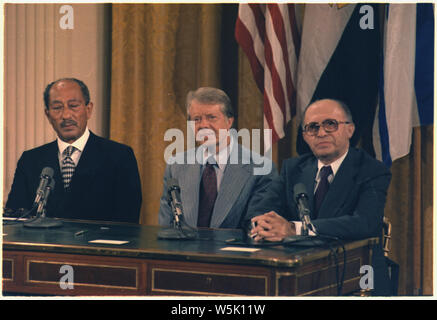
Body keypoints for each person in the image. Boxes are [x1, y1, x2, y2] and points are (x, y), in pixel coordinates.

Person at [248, 98, 392, 295]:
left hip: (357, 275)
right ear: (306, 136)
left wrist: (295, 228)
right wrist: (265, 225)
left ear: (350, 130)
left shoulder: (371, 170)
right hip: (300, 273)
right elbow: (258, 210)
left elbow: (365, 223)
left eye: (330, 124)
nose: (321, 133)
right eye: (313, 127)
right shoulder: (293, 168)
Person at [5, 78, 142, 223]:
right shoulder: (30, 160)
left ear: (88, 110)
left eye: (73, 106)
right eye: (57, 108)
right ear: (48, 115)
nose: (66, 115)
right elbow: (15, 217)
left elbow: (127, 220)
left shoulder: (119, 156)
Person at [158, 87, 277, 229]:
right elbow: (166, 227)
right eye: (197, 119)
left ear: (229, 122)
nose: (203, 125)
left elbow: (256, 229)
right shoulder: (176, 166)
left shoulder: (260, 169)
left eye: (211, 117)